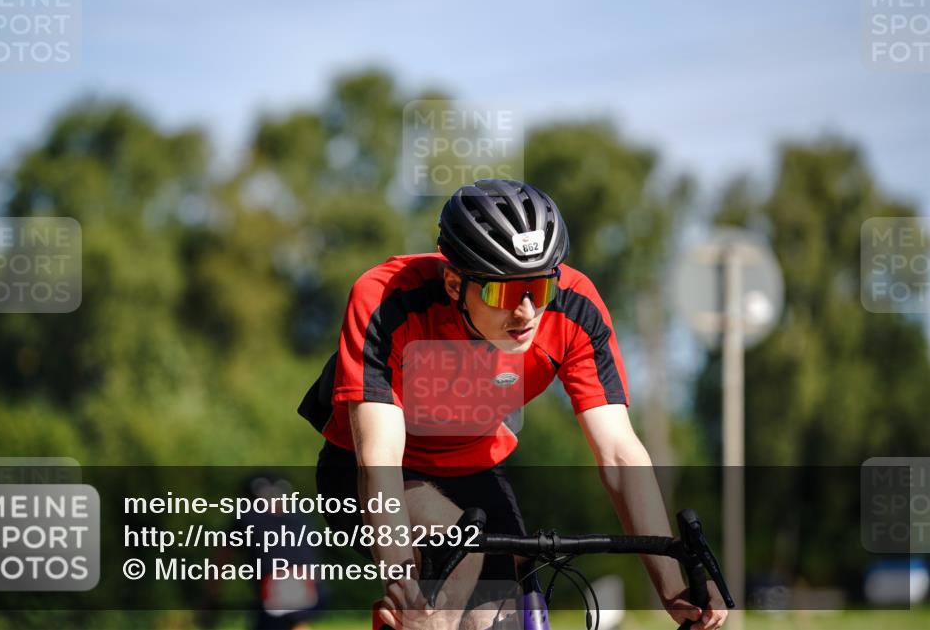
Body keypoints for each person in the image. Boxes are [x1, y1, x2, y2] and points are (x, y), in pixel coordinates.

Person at [298, 179, 727, 630]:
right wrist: (403, 582)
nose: (525, 313)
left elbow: (619, 453)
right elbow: (379, 459)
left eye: (539, 289)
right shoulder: (387, 300)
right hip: (368, 471)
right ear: (453, 282)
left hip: (476, 468)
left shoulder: (576, 310)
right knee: (456, 569)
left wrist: (672, 587)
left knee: (504, 613)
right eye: (503, 293)